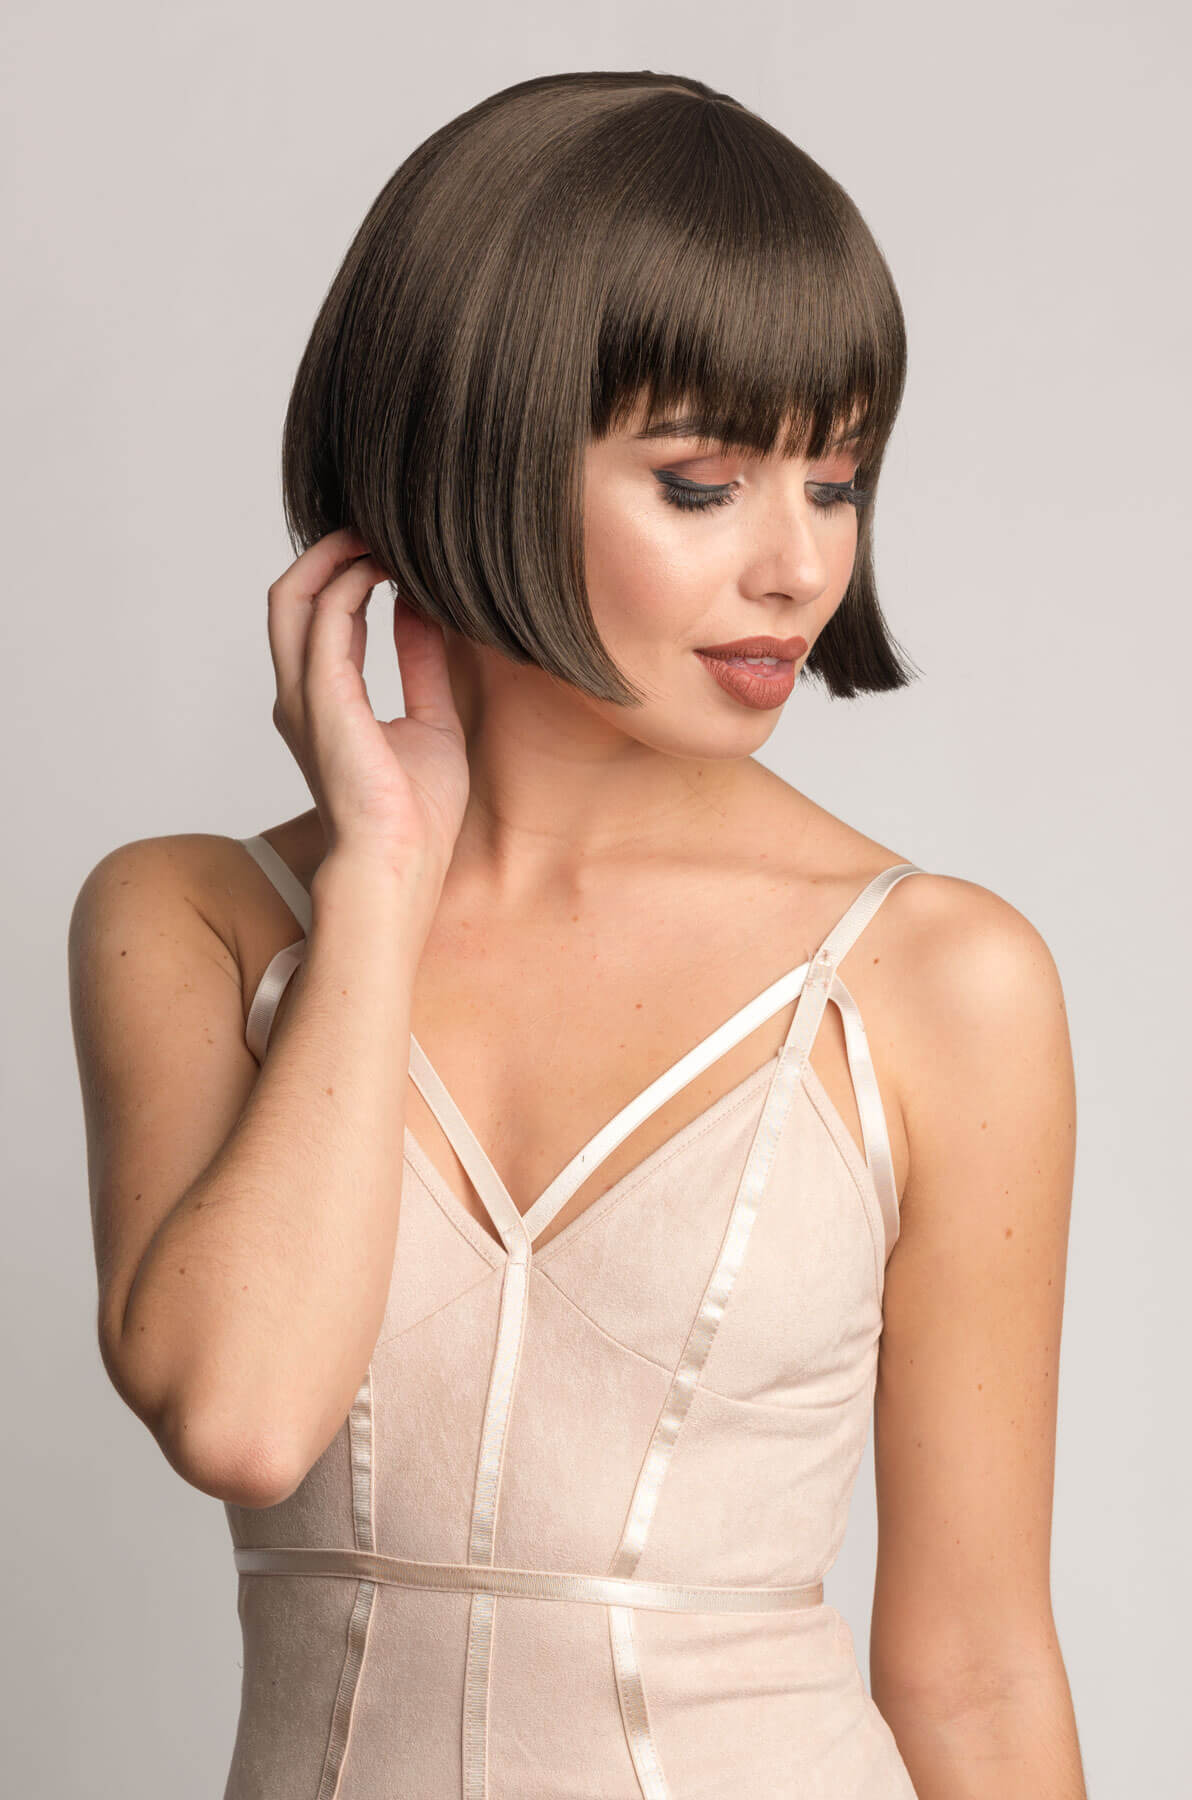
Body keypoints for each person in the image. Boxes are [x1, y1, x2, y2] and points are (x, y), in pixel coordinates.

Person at [67, 69, 1086, 1800]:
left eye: (835, 482)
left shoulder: (941, 983)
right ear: (471, 450)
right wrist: (383, 875)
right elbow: (239, 1417)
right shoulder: (193, 921)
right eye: (702, 484)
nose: (797, 566)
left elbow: (975, 1671)